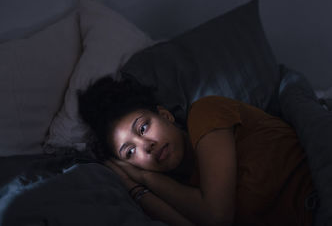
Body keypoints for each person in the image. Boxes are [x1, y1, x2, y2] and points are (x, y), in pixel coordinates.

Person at [78, 75, 314, 226]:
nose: (146, 146)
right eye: (130, 152)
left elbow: (217, 218)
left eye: (143, 127)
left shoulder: (205, 113)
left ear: (165, 115)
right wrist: (135, 189)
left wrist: (144, 177)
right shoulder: (183, 193)